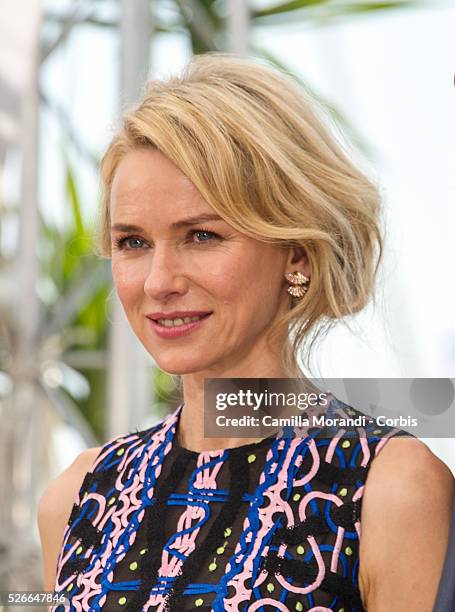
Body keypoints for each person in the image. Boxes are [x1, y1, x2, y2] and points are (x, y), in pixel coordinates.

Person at [38, 52, 454, 611]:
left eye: (202, 236)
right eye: (133, 242)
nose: (159, 282)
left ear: (297, 254)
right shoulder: (78, 495)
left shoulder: (391, 488)